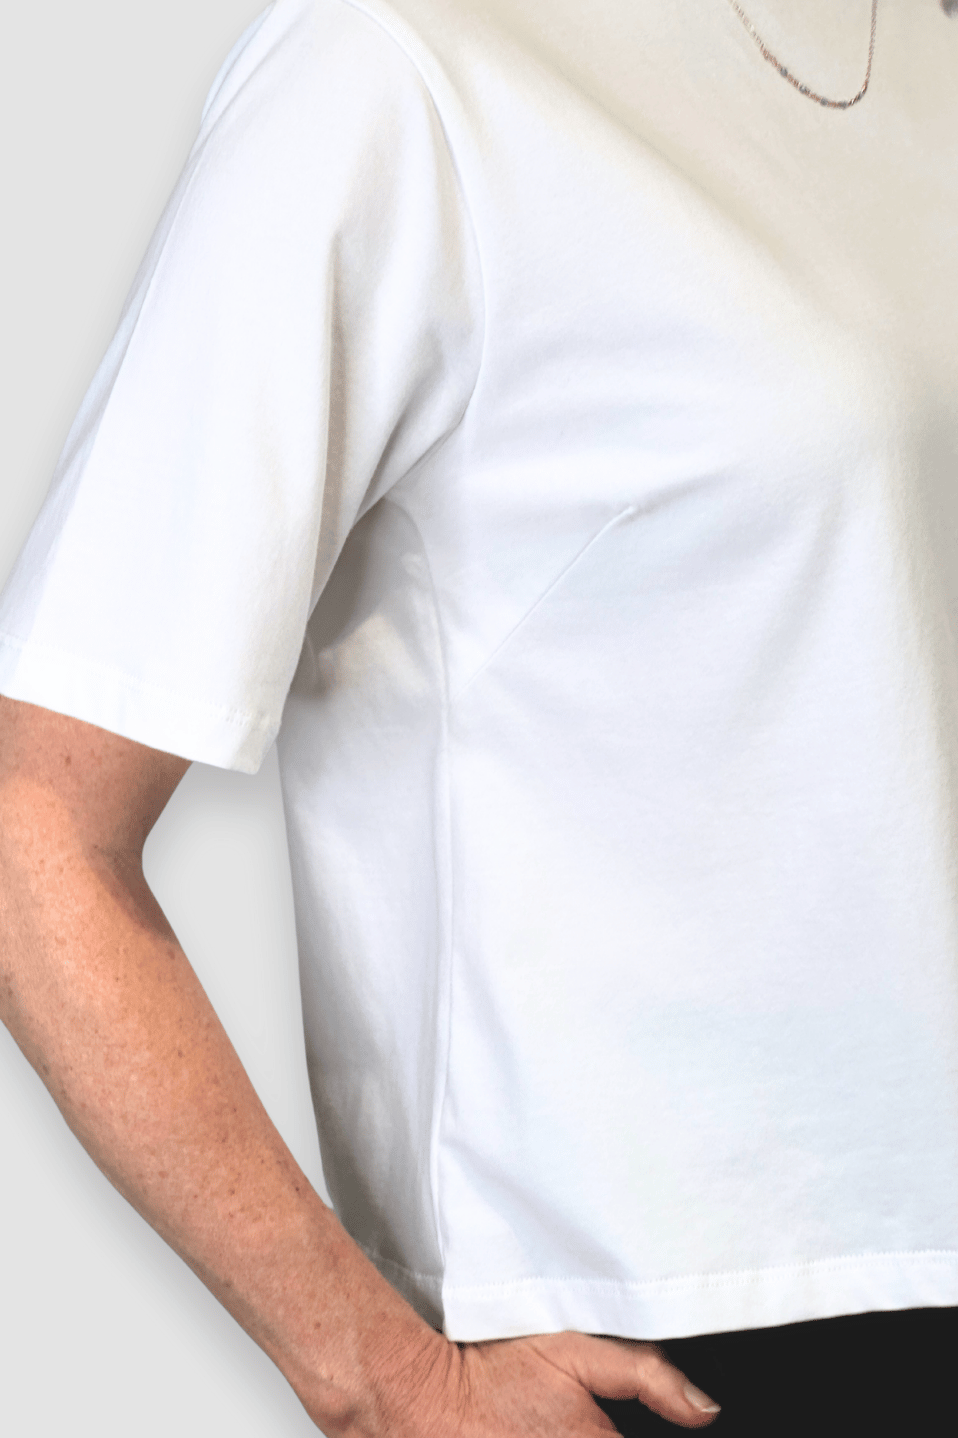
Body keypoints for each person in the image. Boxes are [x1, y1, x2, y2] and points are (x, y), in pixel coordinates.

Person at [1, 1, 957, 1434]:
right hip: (667, 1333)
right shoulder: (390, 65)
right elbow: (35, 825)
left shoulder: (919, 53)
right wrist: (386, 1381)